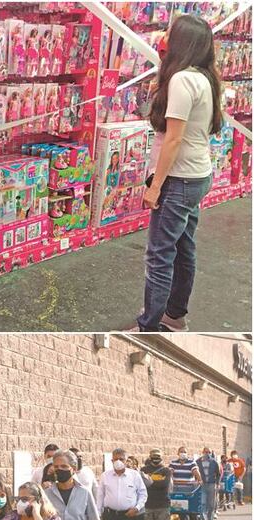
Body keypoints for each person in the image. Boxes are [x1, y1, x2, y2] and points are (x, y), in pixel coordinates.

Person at [137, 14, 223, 332]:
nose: (163, 37)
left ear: (180, 43)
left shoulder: (183, 80)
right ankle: (174, 315)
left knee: (160, 253)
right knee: (183, 246)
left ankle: (150, 324)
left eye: (169, 34)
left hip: (180, 180)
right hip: (197, 175)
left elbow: (173, 139)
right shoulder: (203, 77)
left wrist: (155, 186)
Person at [140, 449, 173, 520]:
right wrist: (156, 483)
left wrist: (150, 482)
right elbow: (143, 485)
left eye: (158, 456)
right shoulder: (143, 470)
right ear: (150, 457)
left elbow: (164, 485)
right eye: (154, 456)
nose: (156, 458)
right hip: (147, 506)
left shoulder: (166, 470)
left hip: (163, 506)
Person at [170, 445, 202, 520]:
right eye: (181, 452)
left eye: (184, 452)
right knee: (180, 507)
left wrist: (199, 480)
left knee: (191, 508)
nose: (183, 453)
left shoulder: (191, 463)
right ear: (178, 453)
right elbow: (170, 472)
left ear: (187, 454)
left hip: (189, 489)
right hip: (177, 488)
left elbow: (195, 471)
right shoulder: (173, 463)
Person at [196, 447, 221, 520]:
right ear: (202, 452)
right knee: (202, 503)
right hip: (202, 485)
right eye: (205, 452)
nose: (207, 453)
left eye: (209, 452)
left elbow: (218, 474)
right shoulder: (198, 462)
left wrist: (217, 483)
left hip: (211, 484)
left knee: (211, 504)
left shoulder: (214, 462)